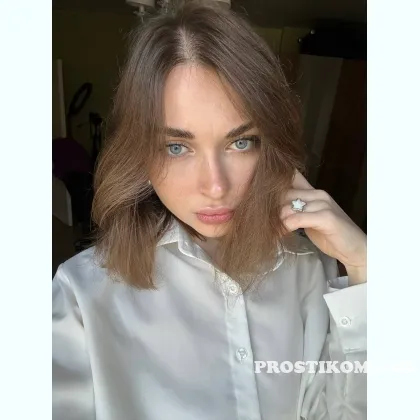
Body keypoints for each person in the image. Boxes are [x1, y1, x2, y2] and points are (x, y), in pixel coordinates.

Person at [52, 1, 367, 419]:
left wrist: (365, 269)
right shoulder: (81, 295)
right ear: (139, 153)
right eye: (176, 147)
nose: (216, 187)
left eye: (241, 142)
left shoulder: (309, 268)